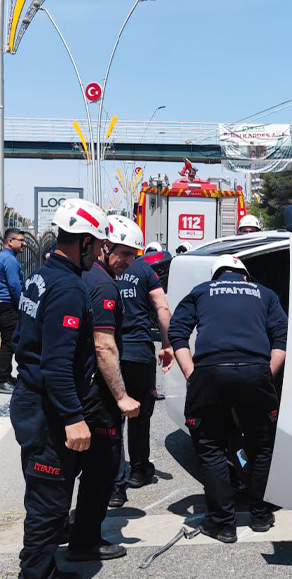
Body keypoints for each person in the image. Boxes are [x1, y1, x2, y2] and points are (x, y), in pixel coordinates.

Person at [9, 198, 109, 579]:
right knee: (49, 505)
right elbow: (56, 363)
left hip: (33, 401)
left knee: (43, 498)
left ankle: (37, 572)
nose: (100, 254)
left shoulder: (44, 275)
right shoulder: (68, 287)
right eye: (98, 246)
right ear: (84, 243)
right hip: (49, 410)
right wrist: (73, 417)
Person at [168, 256, 287, 543]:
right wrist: (264, 376)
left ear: (216, 275)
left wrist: (191, 374)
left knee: (209, 446)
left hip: (210, 373)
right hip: (254, 372)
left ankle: (223, 523)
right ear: (245, 276)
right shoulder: (266, 294)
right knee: (262, 446)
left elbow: (177, 332)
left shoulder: (201, 290)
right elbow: (281, 339)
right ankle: (259, 514)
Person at [70, 215, 144, 551]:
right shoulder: (103, 285)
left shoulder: (85, 276)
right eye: (123, 253)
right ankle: (86, 539)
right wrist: (121, 396)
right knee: (102, 469)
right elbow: (104, 345)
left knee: (72, 469)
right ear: (105, 247)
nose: (128, 262)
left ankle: (69, 529)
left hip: (78, 388)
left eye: (133, 255)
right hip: (97, 395)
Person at [107, 215, 174, 508]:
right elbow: (162, 307)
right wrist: (169, 344)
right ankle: (139, 469)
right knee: (139, 416)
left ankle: (115, 485)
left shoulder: (97, 272)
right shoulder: (145, 270)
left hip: (112, 354)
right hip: (140, 354)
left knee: (112, 420)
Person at [0, 227, 25, 394]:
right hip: (7, 306)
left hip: (1, 305)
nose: (23, 243)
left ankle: (6, 377)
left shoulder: (1, 258)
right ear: (10, 242)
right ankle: (2, 381)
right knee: (10, 344)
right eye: (21, 240)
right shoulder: (10, 260)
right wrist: (22, 306)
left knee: (8, 342)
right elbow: (14, 285)